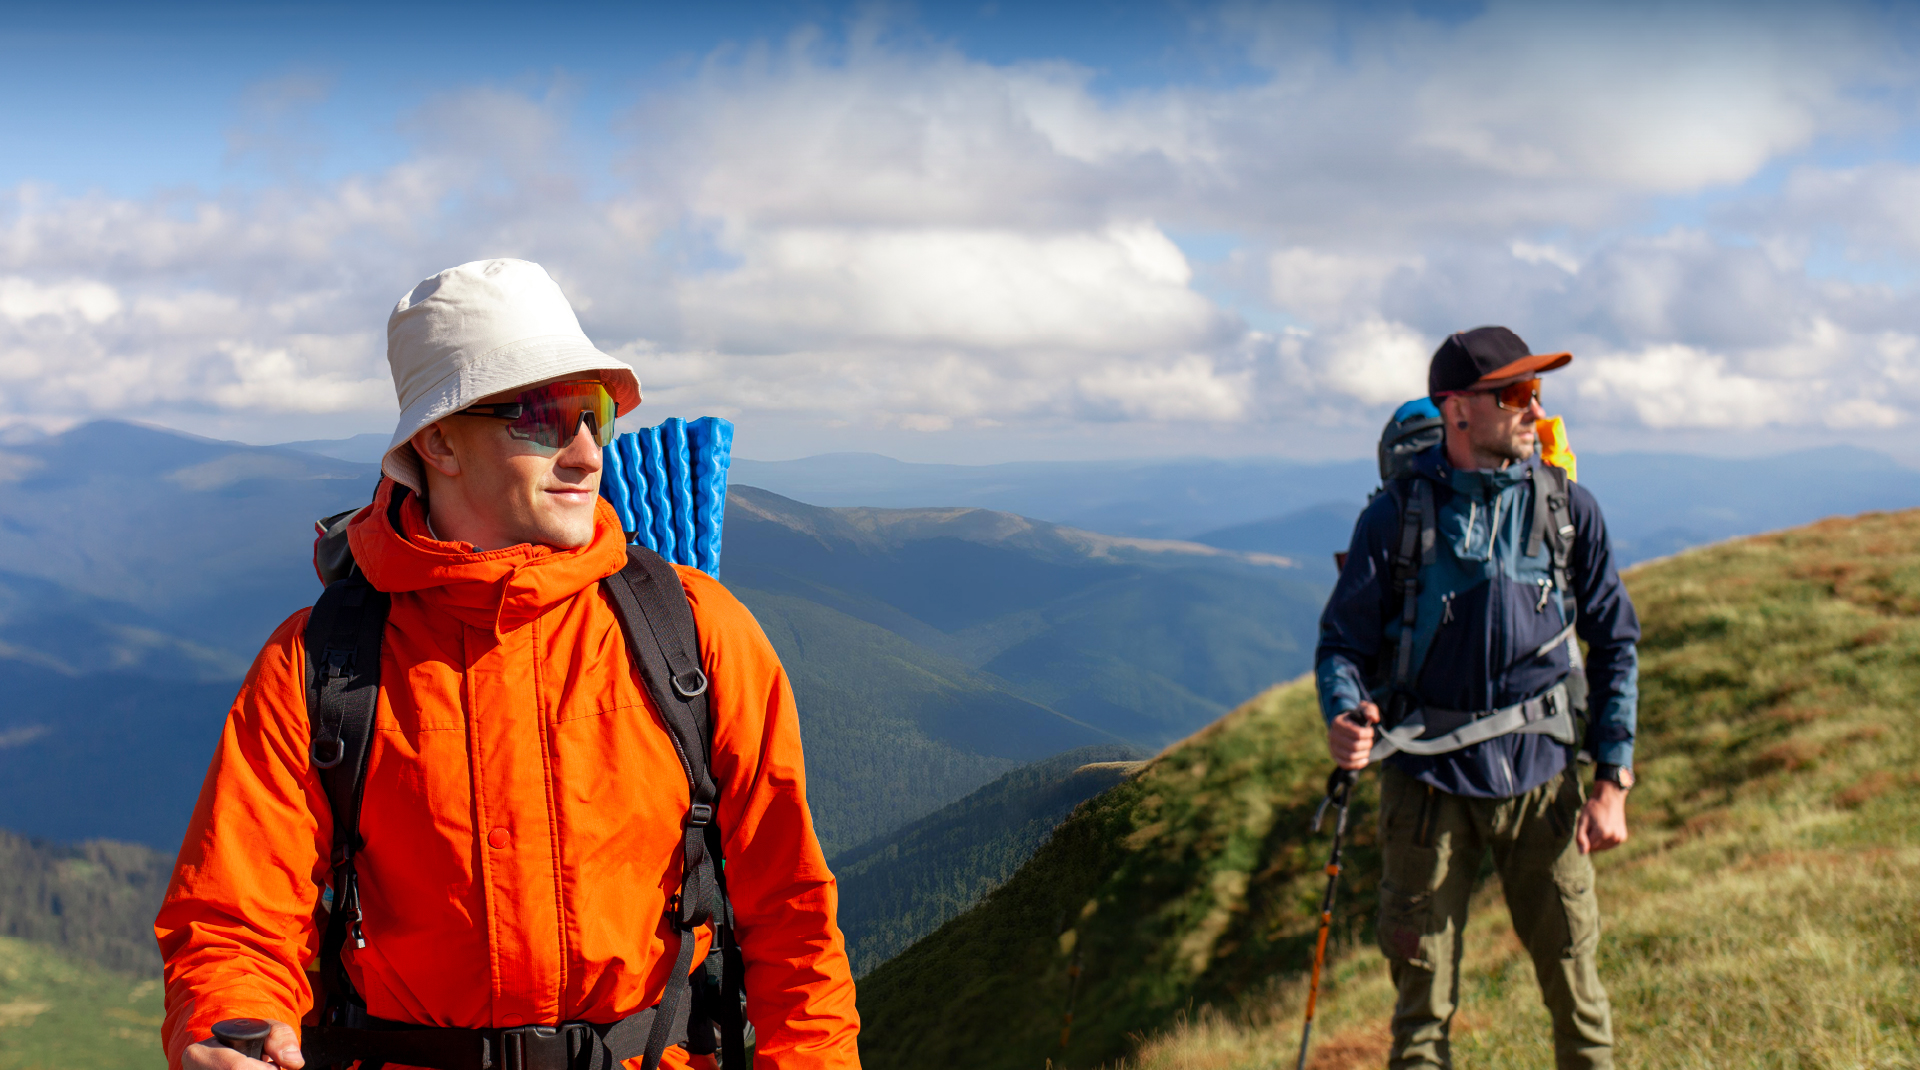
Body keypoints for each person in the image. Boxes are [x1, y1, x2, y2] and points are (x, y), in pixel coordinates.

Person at [156, 259, 861, 1070]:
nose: (588, 453)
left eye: (594, 414)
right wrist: (227, 1024)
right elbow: (233, 923)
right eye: (544, 416)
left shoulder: (697, 632)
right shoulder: (315, 665)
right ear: (438, 442)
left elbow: (791, 911)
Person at [1315, 326, 1640, 1070]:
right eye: (1517, 394)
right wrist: (1343, 711)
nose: (1535, 410)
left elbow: (1616, 640)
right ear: (1457, 409)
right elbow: (1343, 643)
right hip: (1425, 790)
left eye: (1537, 392)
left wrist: (1612, 779)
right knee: (1421, 1020)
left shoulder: (1568, 509)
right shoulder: (1394, 519)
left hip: (1542, 783)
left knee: (1579, 999)